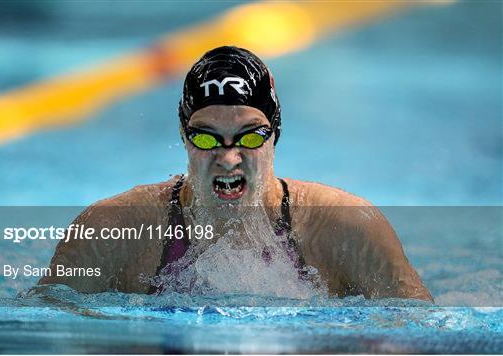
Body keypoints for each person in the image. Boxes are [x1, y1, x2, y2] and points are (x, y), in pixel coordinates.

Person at [39, 46, 433, 302]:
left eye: (249, 136)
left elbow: (419, 332)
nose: (229, 158)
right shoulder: (112, 231)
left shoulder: (346, 228)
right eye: (207, 139)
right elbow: (40, 330)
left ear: (275, 133)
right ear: (183, 136)